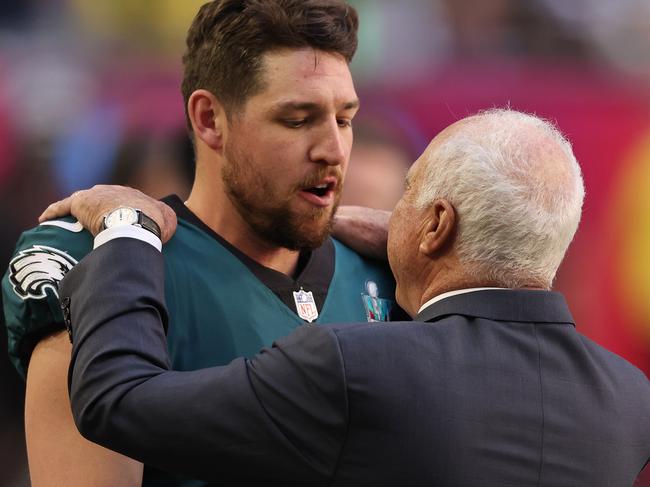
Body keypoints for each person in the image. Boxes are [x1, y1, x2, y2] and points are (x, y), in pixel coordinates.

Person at [53, 109, 649, 485]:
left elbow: (119, 401)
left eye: (409, 192)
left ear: (437, 224)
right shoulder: (630, 401)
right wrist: (415, 249)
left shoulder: (357, 365)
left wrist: (127, 232)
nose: (395, 212)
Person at [1, 1, 397, 486]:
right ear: (210, 119)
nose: (333, 150)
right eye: (297, 119)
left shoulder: (388, 270)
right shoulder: (107, 274)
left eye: (344, 119)